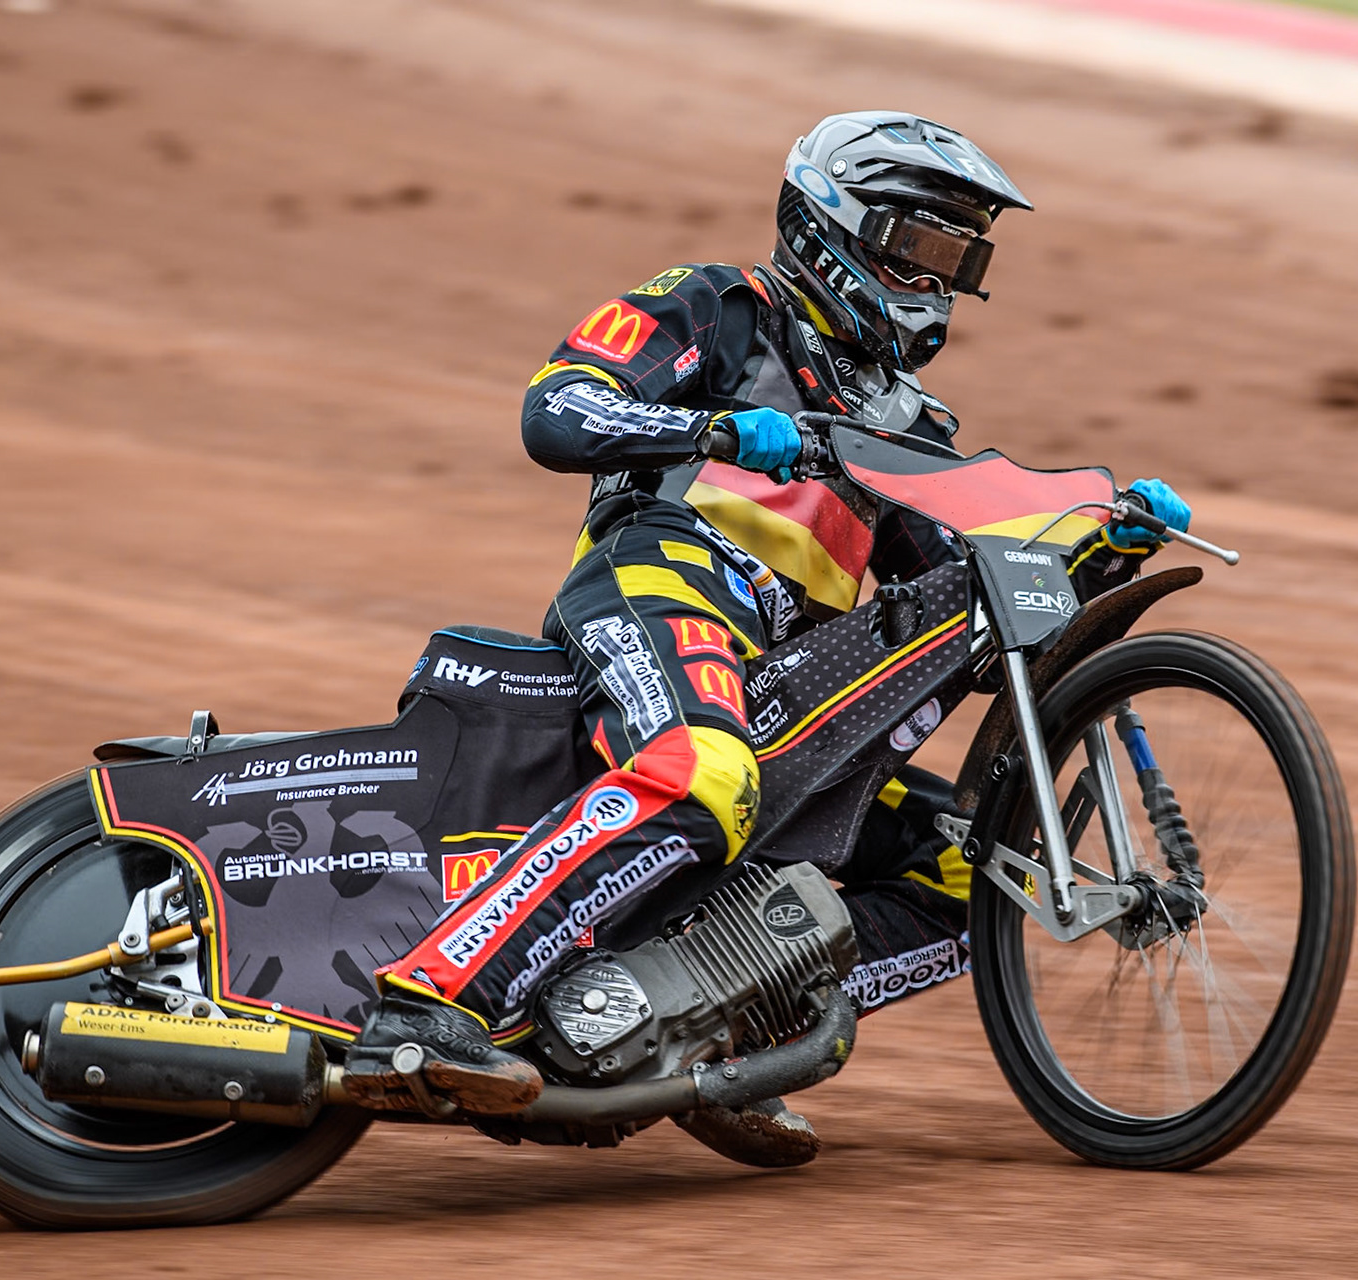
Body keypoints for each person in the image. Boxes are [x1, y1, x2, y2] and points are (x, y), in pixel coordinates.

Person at [342, 112, 1192, 1156]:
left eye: (959, 260)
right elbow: (555, 410)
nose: (935, 280)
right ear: (832, 224)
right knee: (702, 770)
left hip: (785, 678)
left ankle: (722, 1029)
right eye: (917, 246)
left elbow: (961, 609)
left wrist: (1097, 556)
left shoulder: (912, 430)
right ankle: (426, 1008)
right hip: (659, 584)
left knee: (974, 868)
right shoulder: (720, 305)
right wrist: (712, 429)